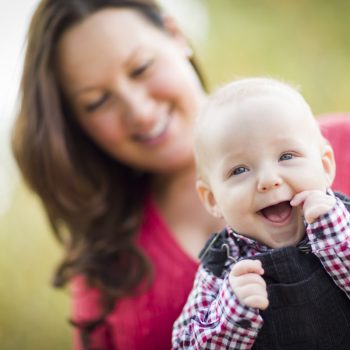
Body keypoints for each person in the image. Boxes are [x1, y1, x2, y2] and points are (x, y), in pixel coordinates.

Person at [12, 1, 224, 349]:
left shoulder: (341, 144)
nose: (138, 112)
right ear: (78, 126)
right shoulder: (106, 275)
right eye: (97, 101)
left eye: (141, 68)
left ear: (176, 35)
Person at [172, 77, 350, 349]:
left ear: (325, 166)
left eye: (287, 156)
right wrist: (229, 313)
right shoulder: (221, 270)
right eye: (239, 170)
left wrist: (337, 241)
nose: (268, 179)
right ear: (212, 199)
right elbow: (184, 345)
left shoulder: (343, 222)